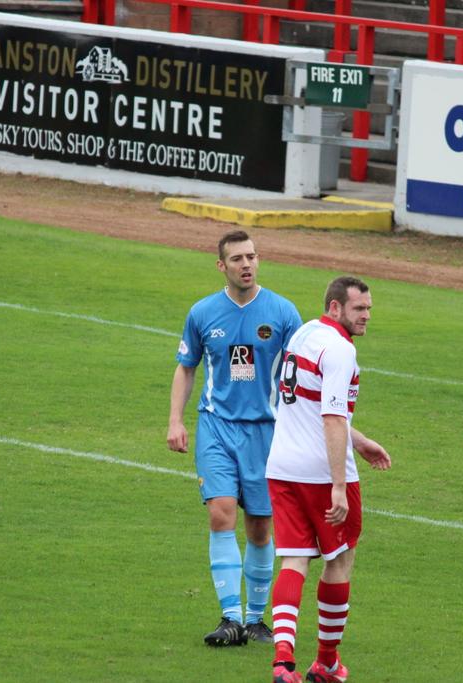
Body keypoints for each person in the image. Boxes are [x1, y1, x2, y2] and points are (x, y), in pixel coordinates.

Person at [168, 230, 303, 647]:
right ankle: (229, 618)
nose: (247, 264)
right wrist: (176, 420)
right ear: (221, 265)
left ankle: (255, 619)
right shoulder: (203, 313)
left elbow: (303, 374)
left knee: (260, 527)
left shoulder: (283, 313)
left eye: (252, 256)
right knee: (221, 513)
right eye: (238, 258)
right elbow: (186, 366)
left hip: (268, 432)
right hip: (217, 426)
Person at [265, 276, 392, 683]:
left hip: (282, 466)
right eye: (359, 309)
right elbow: (332, 416)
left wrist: (361, 441)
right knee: (339, 559)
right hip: (322, 474)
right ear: (336, 308)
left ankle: (283, 662)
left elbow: (305, 402)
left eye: (369, 308)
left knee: (294, 558)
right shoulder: (339, 350)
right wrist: (339, 484)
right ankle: (326, 664)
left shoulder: (305, 334)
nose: (367, 316)